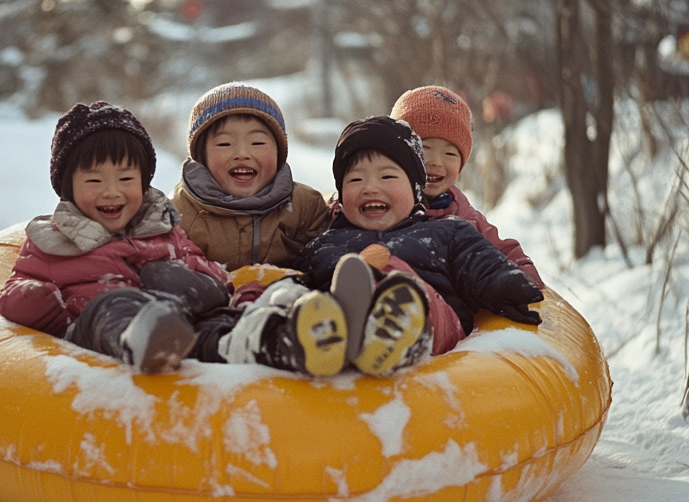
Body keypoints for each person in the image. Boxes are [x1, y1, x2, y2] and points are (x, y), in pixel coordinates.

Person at [212, 116, 544, 377]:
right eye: (355, 180)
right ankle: (313, 336)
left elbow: (480, 265)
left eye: (387, 177)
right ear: (341, 195)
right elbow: (299, 278)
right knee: (295, 293)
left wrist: (507, 285)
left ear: (415, 190)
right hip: (341, 319)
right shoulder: (325, 245)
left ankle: (392, 327)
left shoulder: (446, 233)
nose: (371, 188)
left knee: (407, 287)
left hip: (431, 318)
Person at [0, 101, 231, 374]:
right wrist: (34, 302)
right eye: (94, 181)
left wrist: (192, 280)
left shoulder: (165, 231)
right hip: (95, 340)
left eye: (126, 178)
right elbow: (14, 291)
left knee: (218, 323)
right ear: (67, 188)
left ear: (144, 183)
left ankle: (268, 339)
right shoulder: (52, 243)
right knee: (112, 304)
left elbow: (214, 273)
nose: (111, 192)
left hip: (183, 329)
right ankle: (143, 341)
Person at [391, 85, 544, 287]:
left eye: (450, 154)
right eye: (423, 148)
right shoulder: (381, 200)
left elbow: (503, 251)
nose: (436, 161)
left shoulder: (463, 215)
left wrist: (523, 276)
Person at [171, 82, 331, 271]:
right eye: (224, 144)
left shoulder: (305, 206)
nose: (242, 153)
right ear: (201, 157)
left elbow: (320, 261)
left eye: (257, 142)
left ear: (278, 153)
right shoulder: (181, 211)